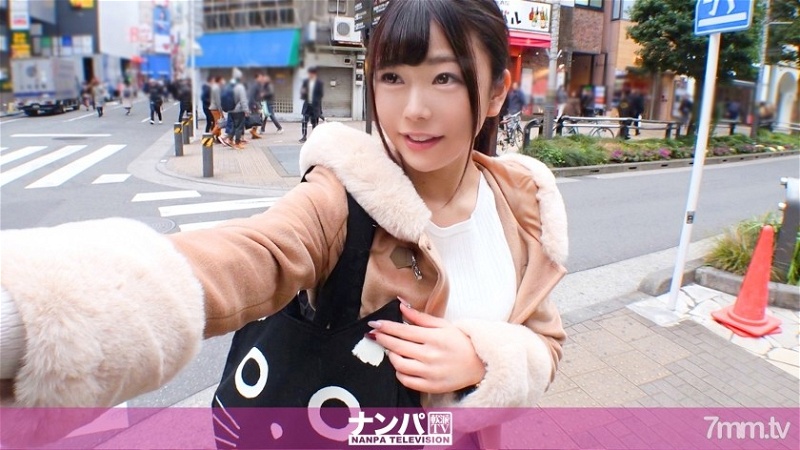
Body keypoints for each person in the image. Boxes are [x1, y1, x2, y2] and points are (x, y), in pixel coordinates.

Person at [0, 1, 567, 448]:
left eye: (444, 78)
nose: (414, 108)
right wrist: (38, 315)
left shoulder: (521, 203)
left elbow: (546, 341)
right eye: (392, 77)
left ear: (497, 90)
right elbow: (254, 253)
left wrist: (489, 359)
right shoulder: (346, 193)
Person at [299, 66, 324, 143]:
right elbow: (302, 94)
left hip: (315, 106)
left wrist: (318, 108)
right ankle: (304, 136)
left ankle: (314, 137)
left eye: (311, 74)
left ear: (314, 74)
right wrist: (303, 93)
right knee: (304, 121)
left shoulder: (319, 83)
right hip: (307, 105)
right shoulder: (305, 82)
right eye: (309, 73)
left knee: (314, 123)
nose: (309, 75)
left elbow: (321, 95)